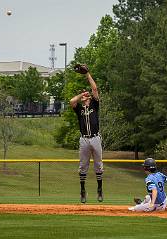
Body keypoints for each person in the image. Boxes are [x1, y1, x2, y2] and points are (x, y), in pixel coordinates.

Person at [70, 64, 103, 204]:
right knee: (83, 166)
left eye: (87, 95)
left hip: (95, 138)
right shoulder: (79, 110)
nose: (86, 97)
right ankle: (83, 191)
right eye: (84, 95)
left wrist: (87, 74)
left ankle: (100, 190)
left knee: (98, 165)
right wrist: (80, 95)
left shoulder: (94, 106)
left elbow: (94, 89)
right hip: (84, 139)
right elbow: (72, 101)